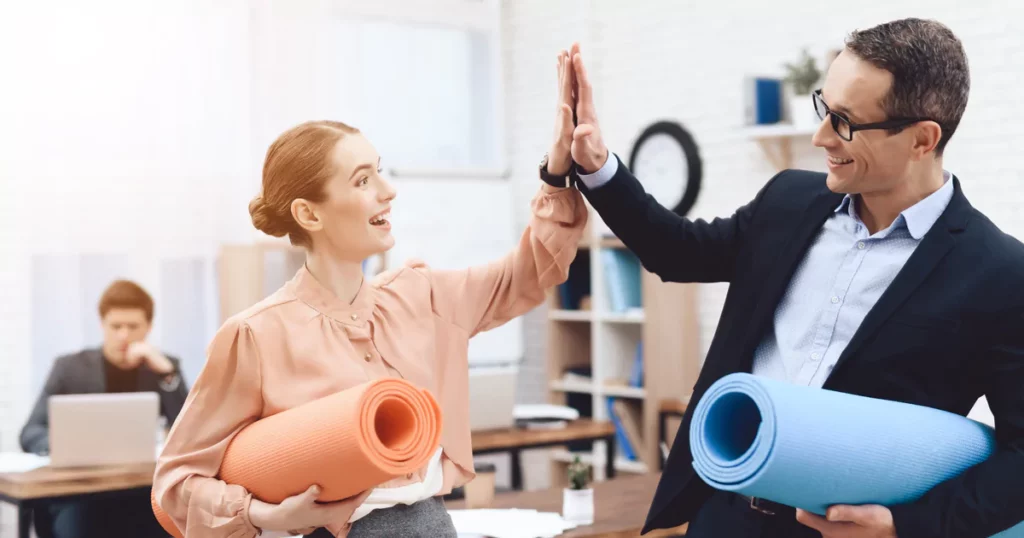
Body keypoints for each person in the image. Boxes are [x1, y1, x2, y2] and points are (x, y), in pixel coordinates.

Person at [564, 18, 1024, 538]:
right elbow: (680, 253)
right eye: (824, 107)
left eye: (845, 121)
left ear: (922, 139)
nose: (820, 135)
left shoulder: (1001, 273)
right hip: (723, 513)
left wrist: (906, 526)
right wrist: (597, 165)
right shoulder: (788, 200)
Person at [150, 50, 587, 538]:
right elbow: (176, 480)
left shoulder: (422, 296)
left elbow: (532, 271)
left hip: (432, 525)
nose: (388, 190)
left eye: (380, 170)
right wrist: (263, 515)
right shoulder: (254, 336)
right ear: (309, 215)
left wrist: (557, 170)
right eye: (363, 180)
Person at [21, 279, 189, 538]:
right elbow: (30, 432)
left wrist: (166, 374)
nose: (124, 335)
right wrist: (65, 446)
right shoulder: (69, 368)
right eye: (115, 326)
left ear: (148, 327)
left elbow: (190, 433)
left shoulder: (163, 367)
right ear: (102, 325)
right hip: (79, 495)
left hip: (142, 493)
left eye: (133, 326)